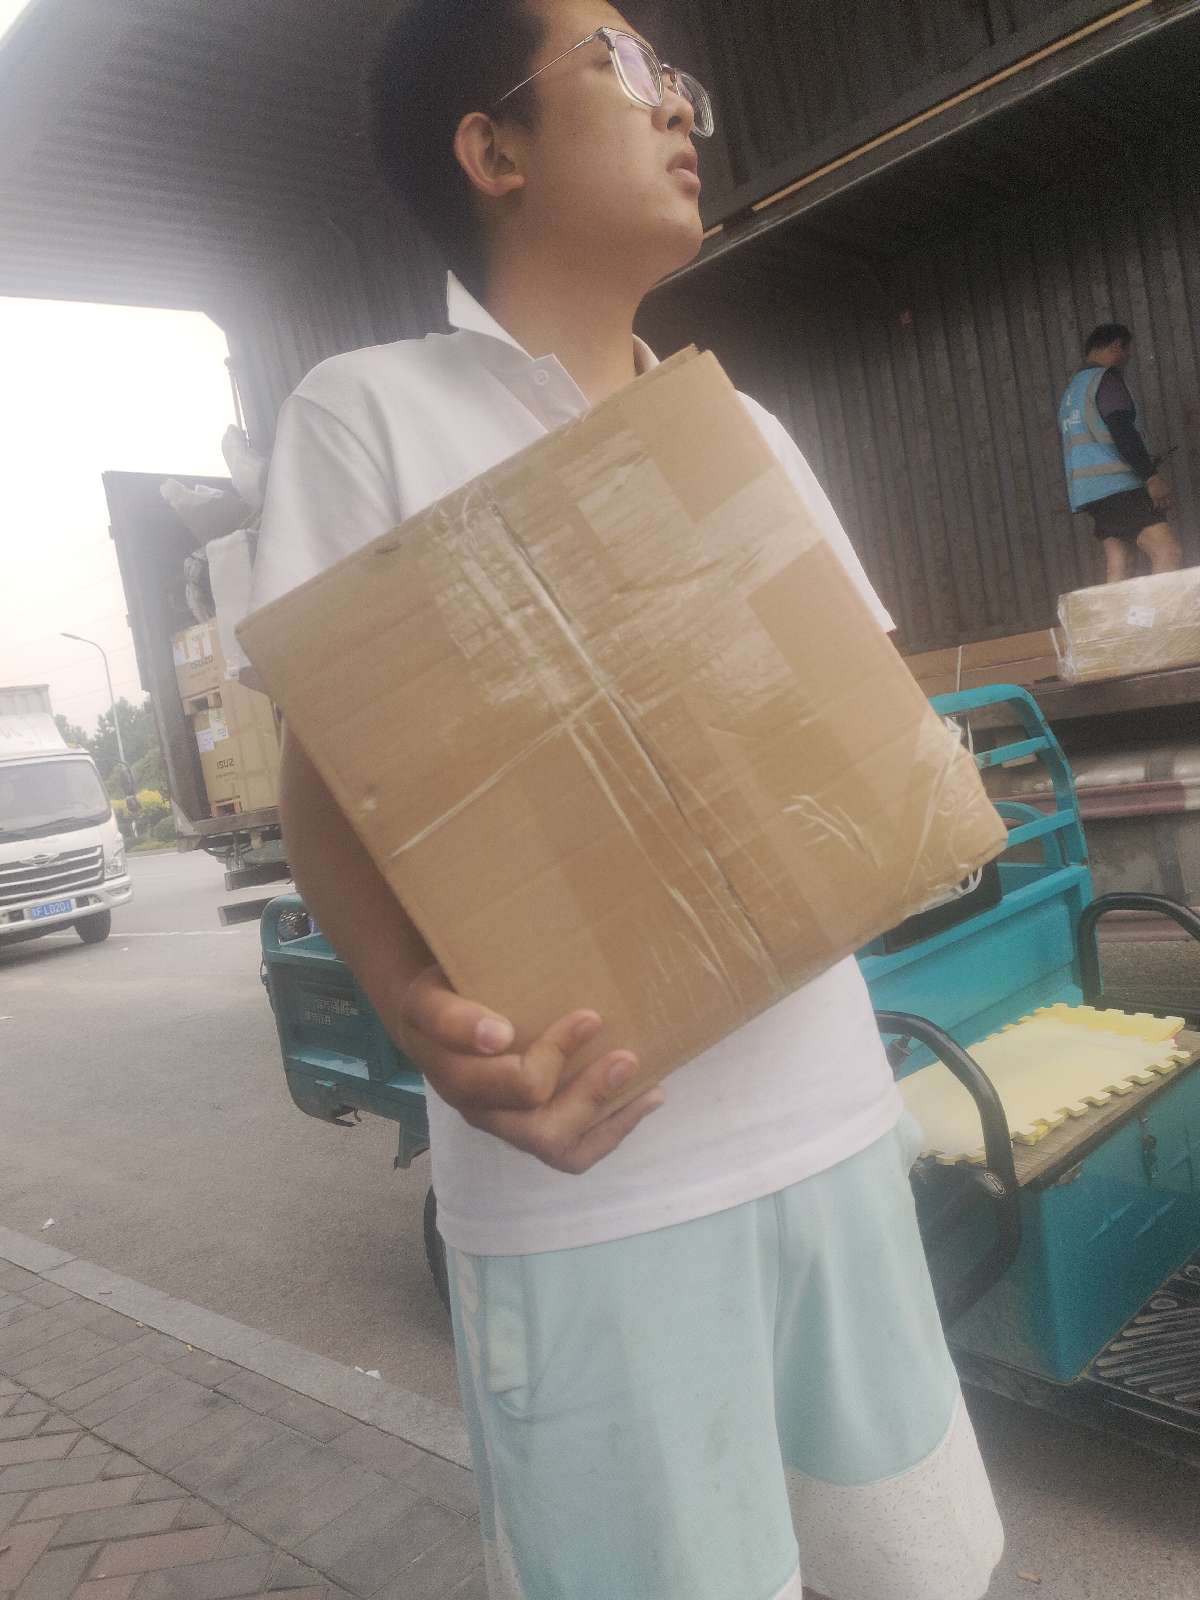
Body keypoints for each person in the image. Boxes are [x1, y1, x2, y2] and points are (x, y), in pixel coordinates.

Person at [250, 4, 1004, 1597]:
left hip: (830, 1127)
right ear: (492, 148)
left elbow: (851, 732)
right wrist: (413, 1018)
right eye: (620, 63)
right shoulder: (369, 412)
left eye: (676, 77)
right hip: (590, 1181)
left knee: (913, 1568)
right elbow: (330, 791)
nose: (679, 110)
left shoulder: (742, 429)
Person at [1059, 322, 1182, 583]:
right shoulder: (1105, 381)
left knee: (1121, 563)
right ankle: (1159, 611)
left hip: (1090, 491)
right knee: (1167, 551)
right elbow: (1122, 431)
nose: (1127, 358)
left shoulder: (1073, 390)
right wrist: (1151, 476)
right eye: (1127, 351)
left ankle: (1114, 612)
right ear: (1117, 345)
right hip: (1119, 486)